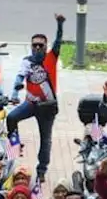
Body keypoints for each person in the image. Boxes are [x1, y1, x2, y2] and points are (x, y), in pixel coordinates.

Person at [5, 14, 67, 183]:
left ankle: (42, 170)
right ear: (31, 47)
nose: (38, 48)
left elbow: (59, 41)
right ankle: (15, 146)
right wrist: (14, 94)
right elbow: (19, 77)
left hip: (47, 107)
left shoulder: (51, 57)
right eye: (35, 45)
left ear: (46, 46)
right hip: (30, 104)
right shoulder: (27, 62)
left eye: (41, 45)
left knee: (45, 139)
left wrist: (60, 24)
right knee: (11, 118)